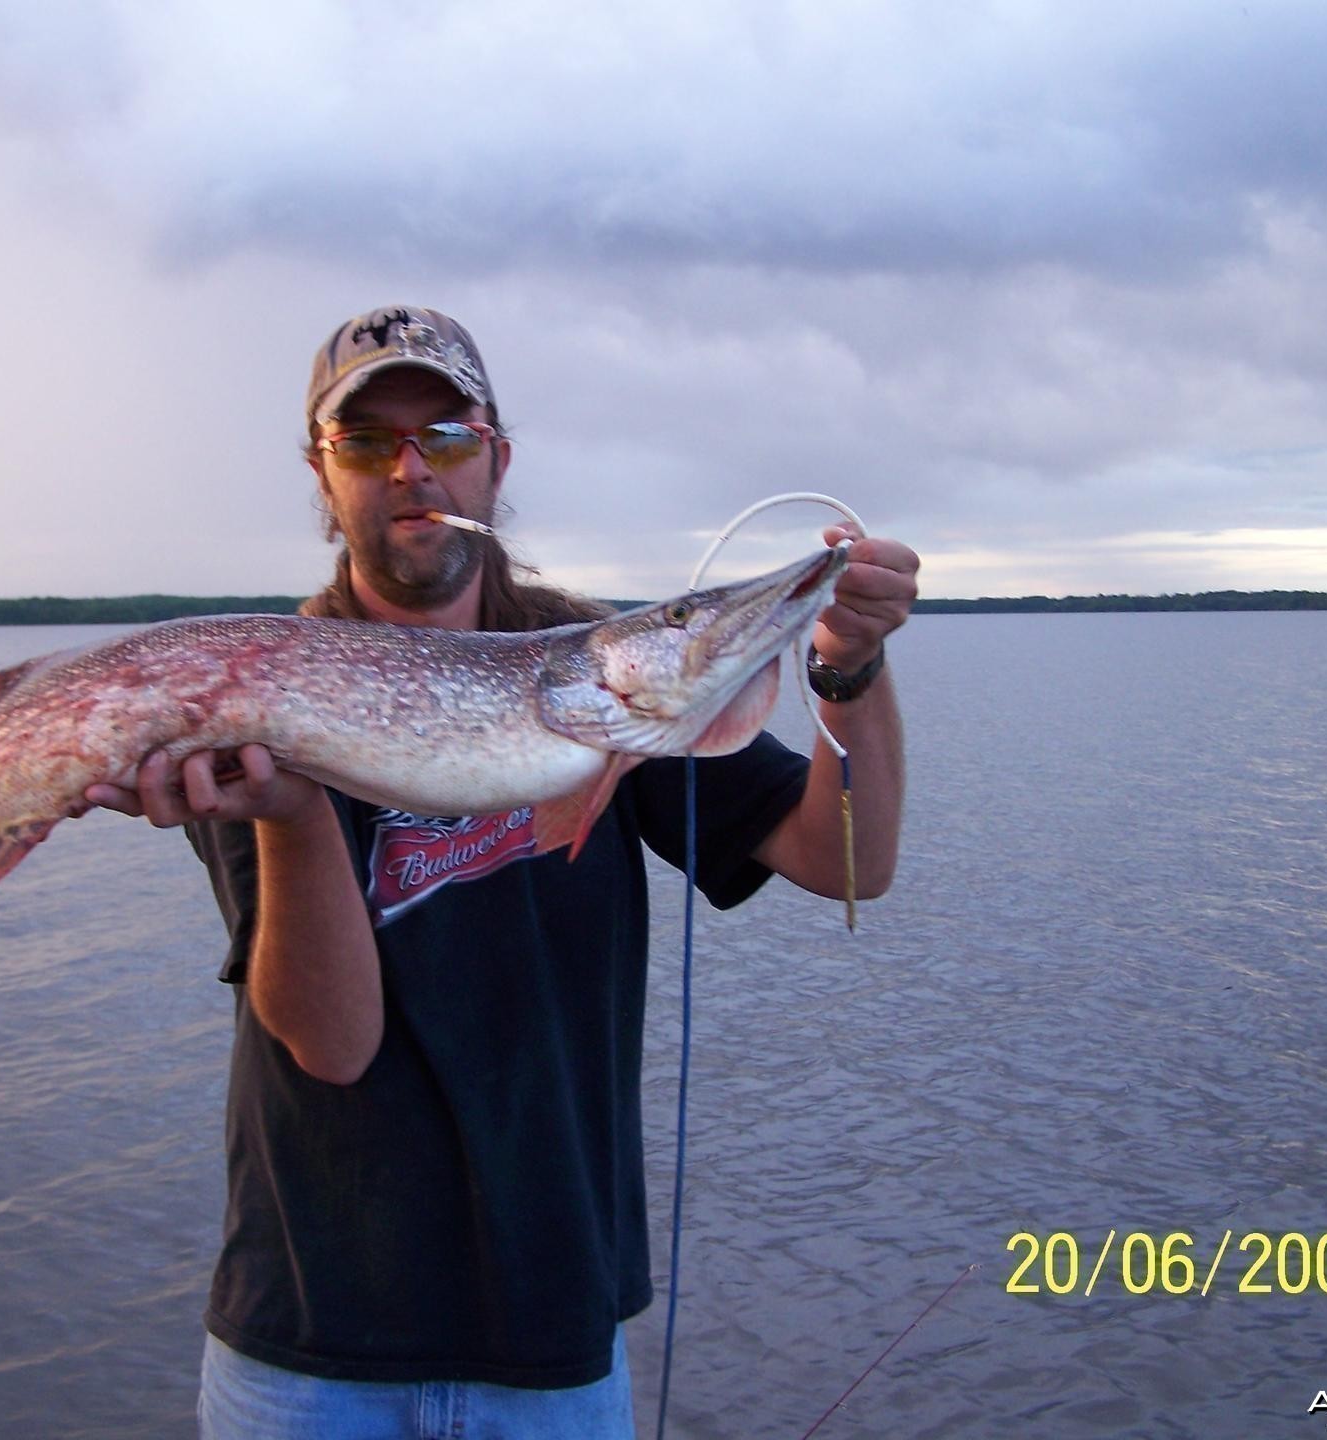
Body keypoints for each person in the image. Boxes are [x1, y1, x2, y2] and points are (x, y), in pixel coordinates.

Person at [84, 304, 918, 1438]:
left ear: (499, 458)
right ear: (324, 477)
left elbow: (846, 861)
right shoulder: (260, 691)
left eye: (448, 436)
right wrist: (289, 810)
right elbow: (333, 1044)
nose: (411, 468)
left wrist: (851, 670)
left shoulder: (611, 679)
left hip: (553, 1343)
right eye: (369, 443)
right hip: (310, 1350)